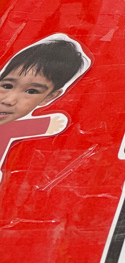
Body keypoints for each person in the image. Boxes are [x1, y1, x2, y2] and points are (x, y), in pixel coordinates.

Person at [0, 35, 88, 177]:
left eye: (31, 91)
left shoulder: (10, 127)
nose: (9, 100)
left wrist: (46, 124)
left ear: (49, 97)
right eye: (7, 86)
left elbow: (23, 127)